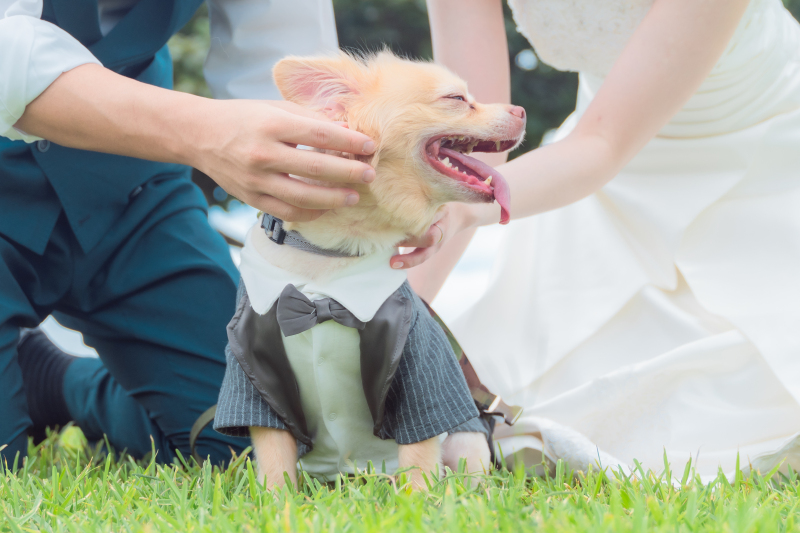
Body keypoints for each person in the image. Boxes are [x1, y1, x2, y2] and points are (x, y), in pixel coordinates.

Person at [0, 0, 434, 469]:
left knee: (250, 433)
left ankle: (56, 381)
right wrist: (202, 132)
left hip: (134, 194)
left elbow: (281, 68)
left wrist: (389, 188)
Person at [397, 0, 800, 479]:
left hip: (755, 150)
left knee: (696, 415)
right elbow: (477, 140)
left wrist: (463, 209)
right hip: (596, 168)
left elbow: (602, 145)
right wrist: (394, 315)